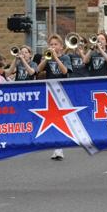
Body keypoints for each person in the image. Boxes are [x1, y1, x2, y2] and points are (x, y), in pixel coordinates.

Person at [37, 33, 71, 161]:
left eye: (55, 44)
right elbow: (38, 70)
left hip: (62, 90)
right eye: (51, 44)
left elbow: (65, 71)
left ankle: (59, 147)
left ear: (61, 46)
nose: (53, 46)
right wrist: (46, 58)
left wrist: (56, 58)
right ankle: (57, 147)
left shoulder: (66, 57)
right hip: (50, 90)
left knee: (61, 120)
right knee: (52, 120)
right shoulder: (47, 57)